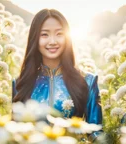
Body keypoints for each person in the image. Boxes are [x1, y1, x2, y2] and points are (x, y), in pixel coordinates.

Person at [12, 9, 102, 142]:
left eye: (59, 34)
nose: (52, 41)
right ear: (34, 39)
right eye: (44, 35)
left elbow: (96, 133)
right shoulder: (20, 83)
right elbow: (15, 133)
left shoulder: (87, 81)